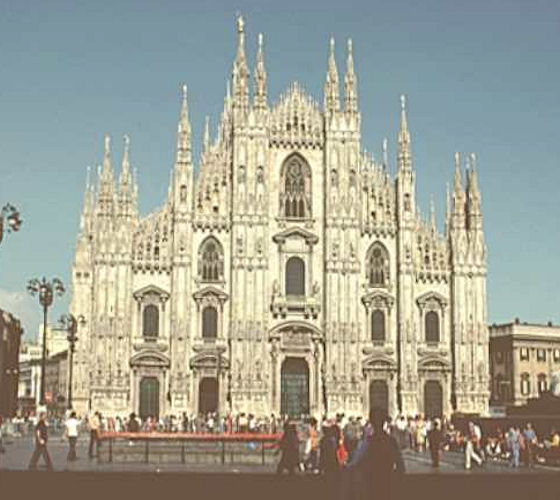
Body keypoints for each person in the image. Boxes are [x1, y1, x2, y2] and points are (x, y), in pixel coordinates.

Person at [344, 407, 405, 500]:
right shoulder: (391, 441)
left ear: (371, 423)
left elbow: (356, 463)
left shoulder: (368, 442)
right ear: (384, 422)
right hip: (387, 481)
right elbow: (400, 465)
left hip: (372, 482)